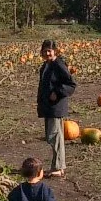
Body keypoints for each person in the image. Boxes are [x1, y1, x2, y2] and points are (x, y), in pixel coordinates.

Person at [37, 39, 77, 178]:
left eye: (50, 50)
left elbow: (71, 84)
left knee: (55, 136)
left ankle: (59, 168)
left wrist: (57, 92)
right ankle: (56, 166)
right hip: (48, 106)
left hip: (56, 106)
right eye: (45, 50)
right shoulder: (47, 65)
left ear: (55, 51)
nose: (47, 53)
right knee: (52, 136)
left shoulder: (58, 65)